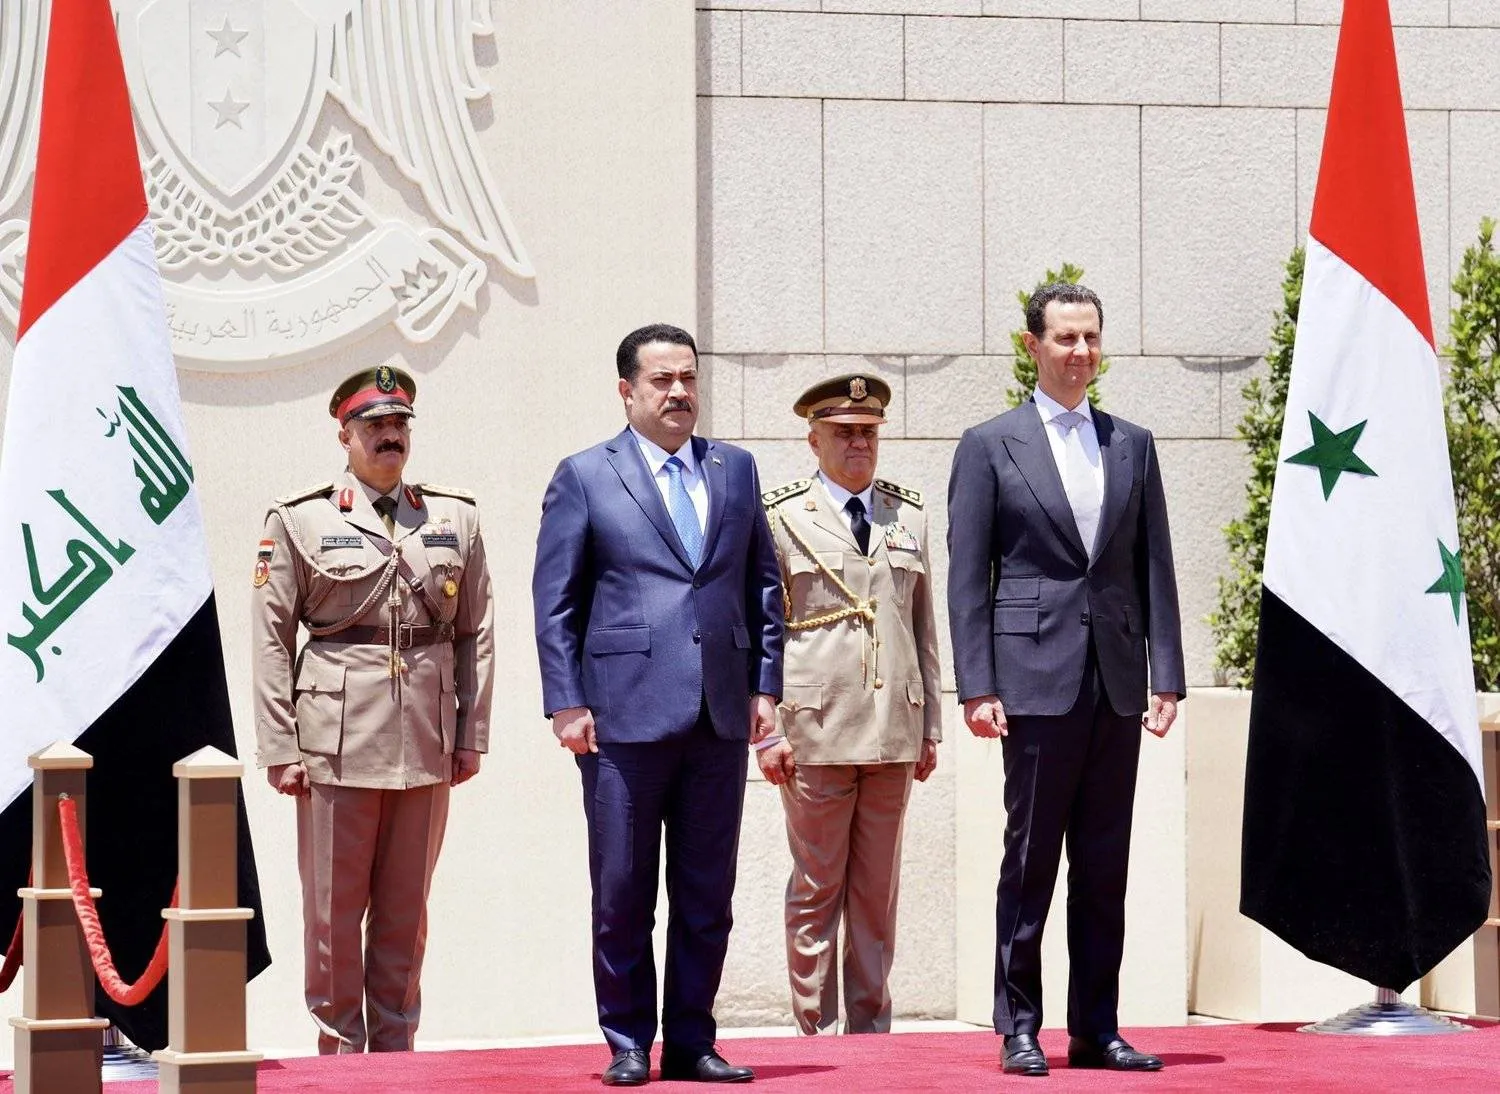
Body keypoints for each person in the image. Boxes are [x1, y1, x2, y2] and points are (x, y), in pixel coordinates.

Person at [532, 323, 783, 1087]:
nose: (679, 393)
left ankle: (695, 1041)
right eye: (662, 380)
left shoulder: (734, 471)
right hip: (622, 719)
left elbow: (764, 587)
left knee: (708, 892)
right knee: (623, 892)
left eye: (689, 379)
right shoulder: (584, 475)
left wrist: (765, 687)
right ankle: (628, 1042)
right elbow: (556, 602)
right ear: (627, 391)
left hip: (718, 715)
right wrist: (566, 702)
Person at [946, 284, 1185, 1076]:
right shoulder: (990, 444)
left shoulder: (1132, 443)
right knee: (1031, 859)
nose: (1080, 353)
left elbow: (1154, 566)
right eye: (1065, 339)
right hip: (1032, 680)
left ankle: (1097, 1027)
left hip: (1115, 680)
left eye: (1091, 338)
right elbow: (967, 575)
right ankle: (1019, 1023)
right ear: (1032, 345)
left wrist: (1168, 675)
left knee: (1104, 862)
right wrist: (977, 685)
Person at [252, 365, 494, 1054]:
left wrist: (469, 734)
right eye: (374, 425)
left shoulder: (454, 517)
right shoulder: (300, 518)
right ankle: (338, 1057)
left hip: (423, 739)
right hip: (333, 741)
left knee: (404, 915)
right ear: (345, 434)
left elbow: (476, 632)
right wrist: (280, 746)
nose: (390, 436)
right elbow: (270, 638)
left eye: (399, 424)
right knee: (332, 914)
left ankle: (396, 1055)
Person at [758, 374, 942, 1036]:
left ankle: (871, 1039)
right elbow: (761, 632)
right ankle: (817, 1030)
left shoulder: (908, 513)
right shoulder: (780, 515)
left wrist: (932, 727)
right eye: (844, 432)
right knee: (816, 890)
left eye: (868, 432)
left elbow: (922, 627)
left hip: (893, 728)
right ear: (814, 438)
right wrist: (764, 730)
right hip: (813, 729)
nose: (859, 443)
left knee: (876, 896)